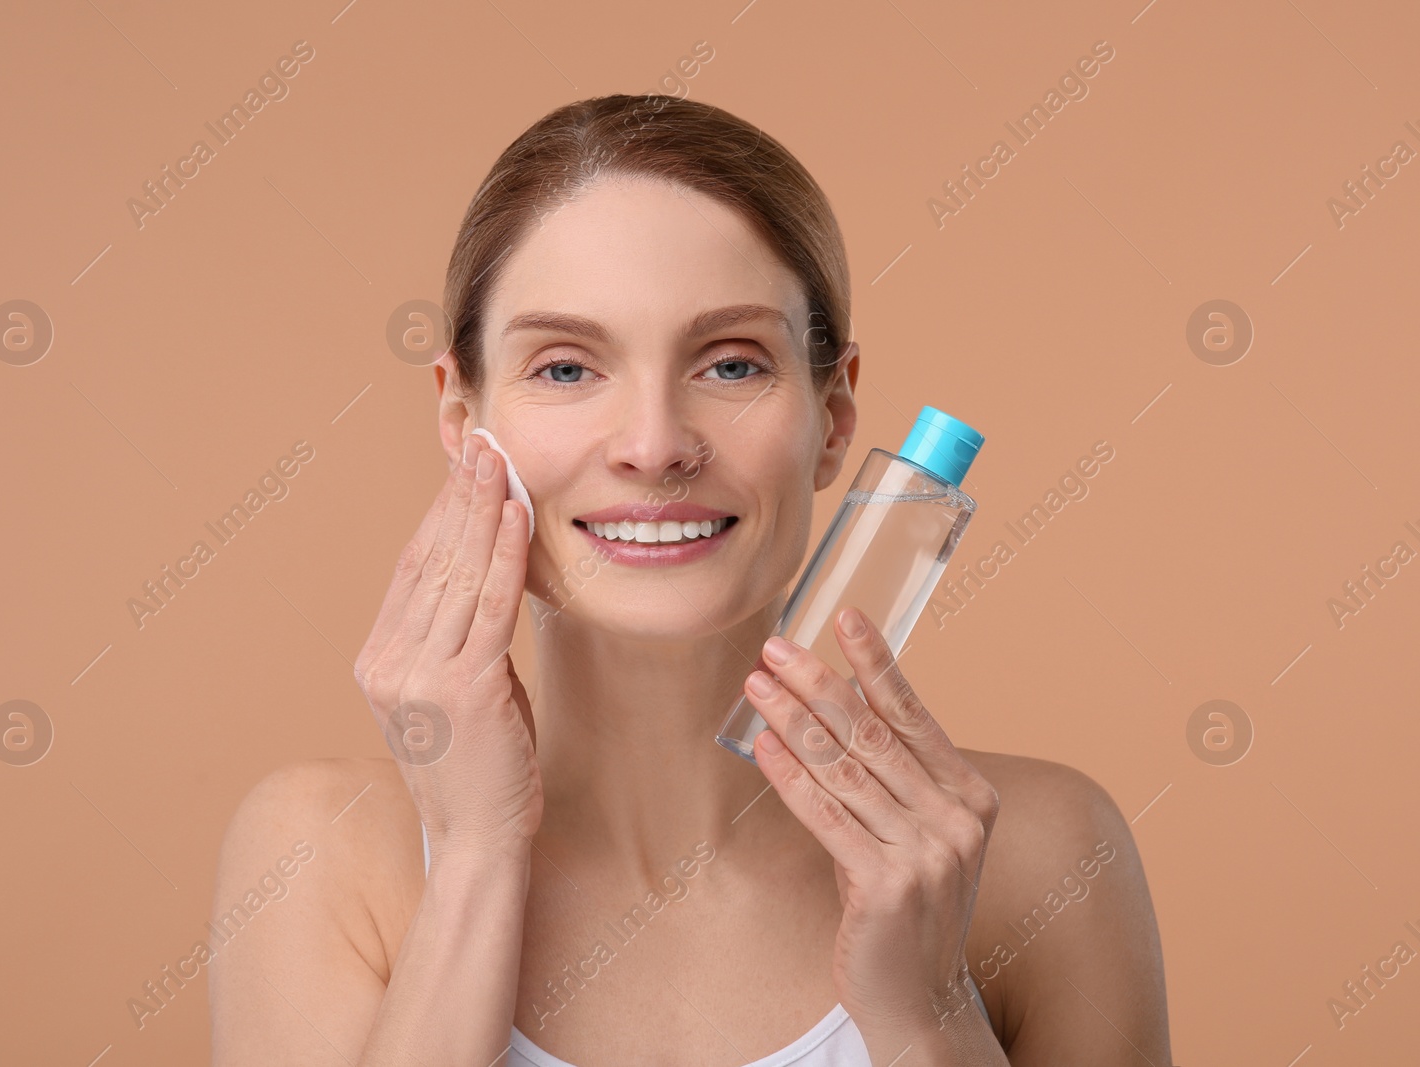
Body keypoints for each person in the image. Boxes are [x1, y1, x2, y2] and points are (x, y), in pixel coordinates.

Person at [209, 93, 1171, 1066]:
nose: (655, 444)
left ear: (833, 417)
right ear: (462, 419)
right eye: (565, 369)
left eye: (730, 363)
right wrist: (473, 858)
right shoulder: (320, 854)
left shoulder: (1040, 856)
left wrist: (926, 1011)